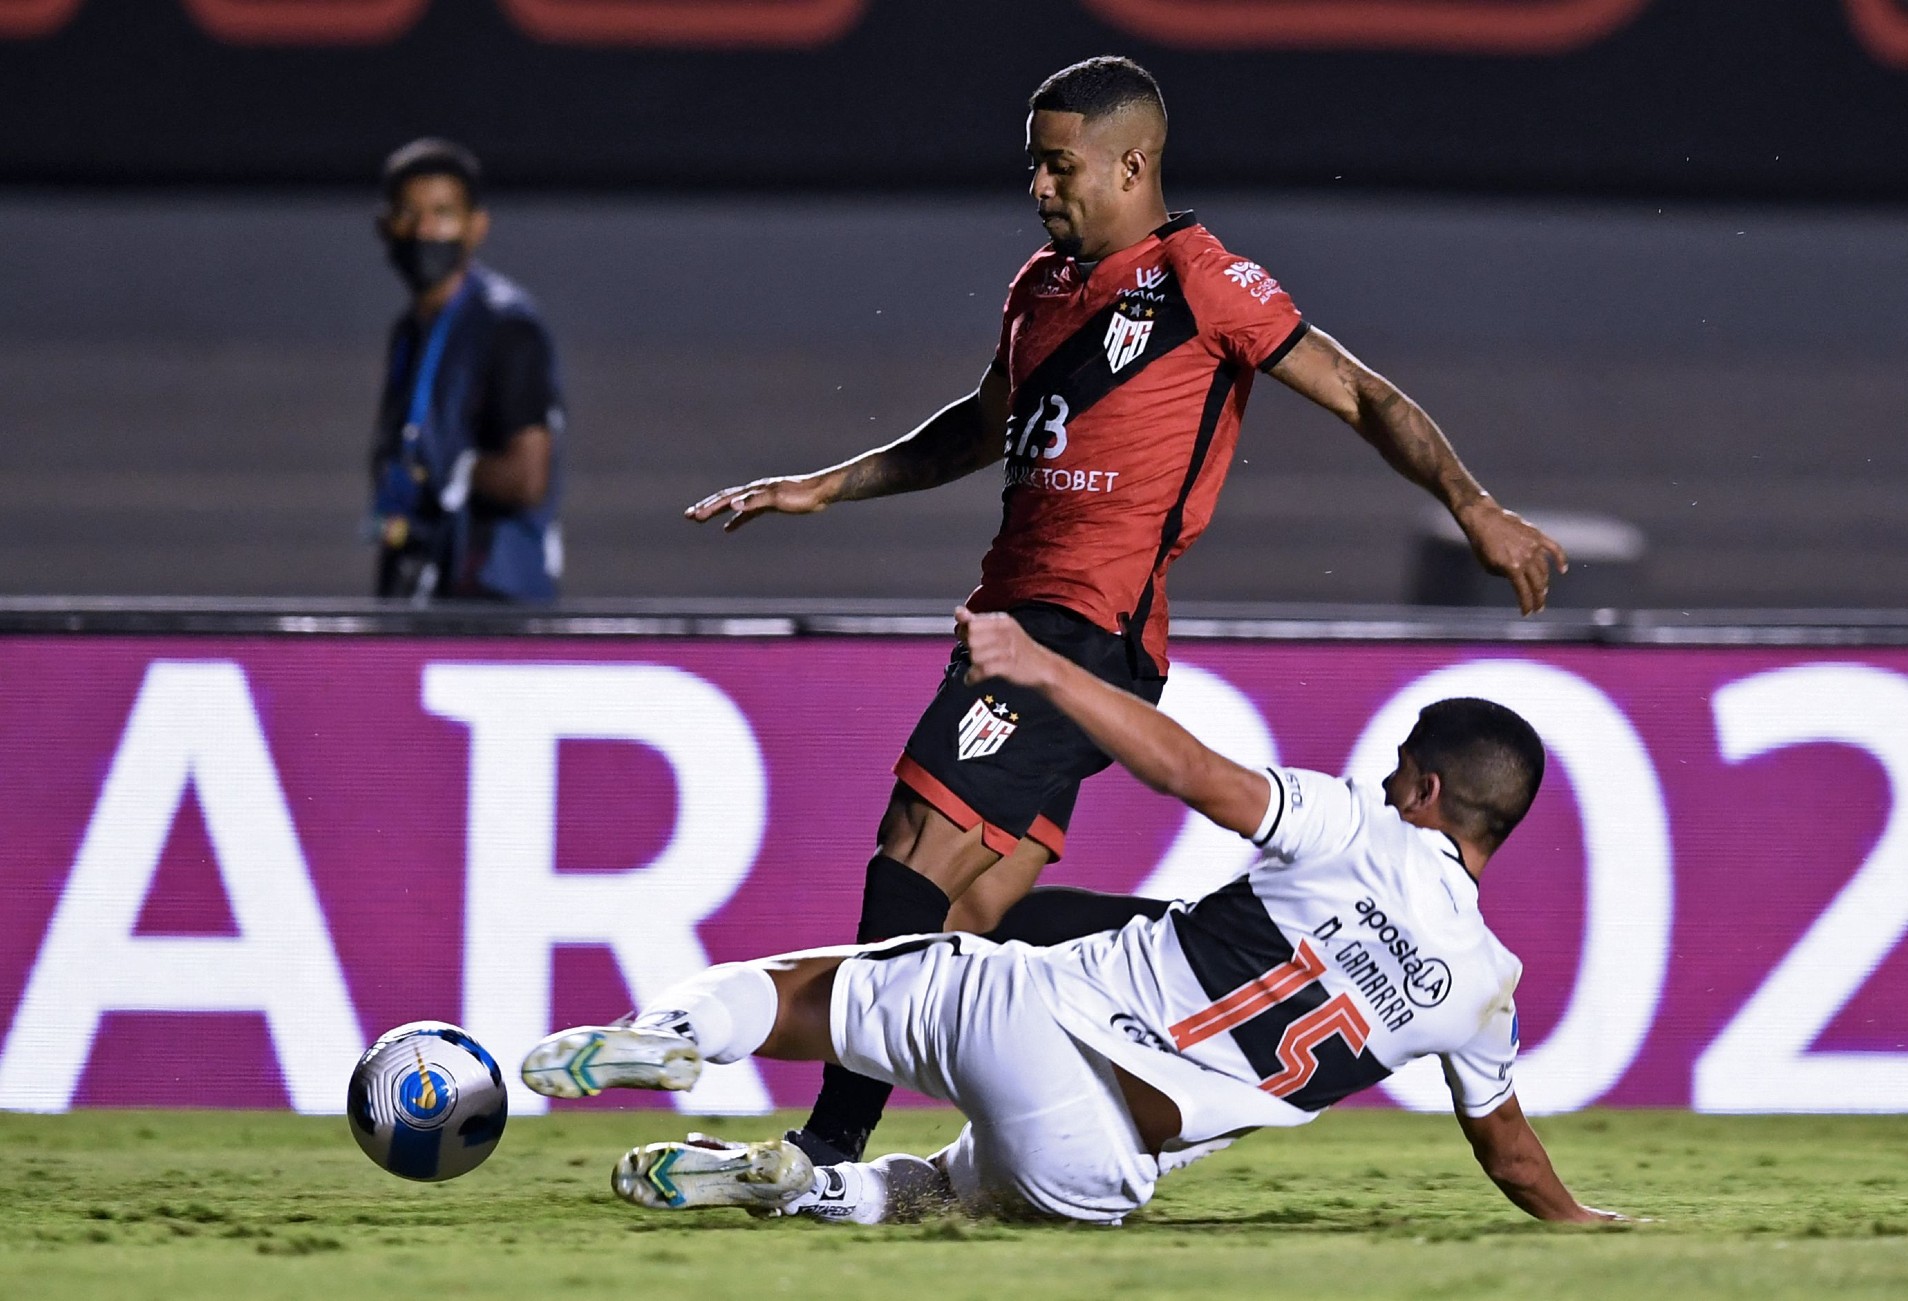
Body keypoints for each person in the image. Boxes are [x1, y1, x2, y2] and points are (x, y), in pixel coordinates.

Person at [682, 55, 1568, 1167]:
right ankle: (1134, 988)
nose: (1042, 189)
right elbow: (983, 427)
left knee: (910, 849)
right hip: (1021, 611)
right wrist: (831, 482)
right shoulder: (1040, 288)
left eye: (1061, 166)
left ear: (1133, 162)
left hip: (1081, 629)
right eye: (1034, 168)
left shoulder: (1206, 281)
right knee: (971, 918)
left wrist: (1474, 504)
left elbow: (1364, 395)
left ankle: (826, 1144)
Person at [520, 606, 1619, 1228]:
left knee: (811, 986)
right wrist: (1580, 1223)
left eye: (1397, 775)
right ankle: (810, 1186)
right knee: (949, 1187)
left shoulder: (1350, 823)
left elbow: (1191, 768)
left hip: (1040, 1016)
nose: (1384, 785)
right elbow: (1510, 1149)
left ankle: (669, 1036)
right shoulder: (1488, 989)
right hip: (1106, 1164)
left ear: (1425, 789)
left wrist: (1044, 666)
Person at [370, 137, 564, 602]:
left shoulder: (506, 327)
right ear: (385, 226)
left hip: (492, 602)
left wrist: (454, 473)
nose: (425, 230)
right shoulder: (410, 330)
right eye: (409, 214)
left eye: (442, 213)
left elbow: (527, 478)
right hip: (424, 587)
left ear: (476, 226)